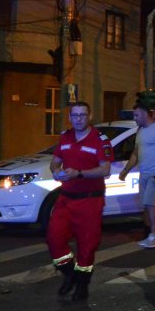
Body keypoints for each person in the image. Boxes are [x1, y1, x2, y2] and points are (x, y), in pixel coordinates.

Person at [47, 101, 113, 300]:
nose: (78, 119)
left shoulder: (100, 140)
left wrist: (79, 174)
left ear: (89, 116)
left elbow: (105, 169)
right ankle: (70, 274)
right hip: (66, 199)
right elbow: (54, 161)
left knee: (87, 246)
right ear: (70, 117)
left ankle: (82, 287)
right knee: (54, 238)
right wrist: (56, 172)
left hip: (89, 201)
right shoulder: (65, 137)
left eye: (82, 115)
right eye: (75, 115)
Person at [119, 101, 155, 248]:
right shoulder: (141, 131)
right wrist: (125, 171)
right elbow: (136, 154)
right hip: (144, 173)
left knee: (150, 202)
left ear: (143, 114)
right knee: (145, 205)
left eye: (136, 115)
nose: (134, 118)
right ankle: (152, 233)